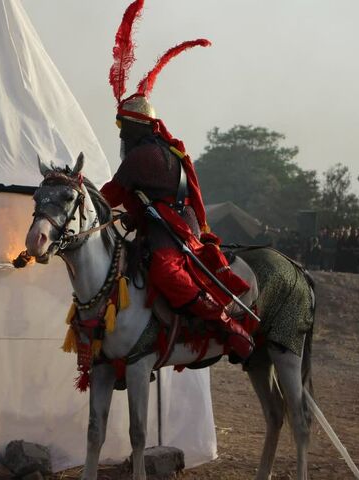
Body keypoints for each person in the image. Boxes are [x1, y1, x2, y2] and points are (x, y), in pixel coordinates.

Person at [101, 3, 255, 361]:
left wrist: (88, 197)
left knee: (164, 271)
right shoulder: (159, 149)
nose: (122, 134)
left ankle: (226, 325)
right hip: (158, 223)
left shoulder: (143, 155)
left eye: (124, 128)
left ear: (136, 128)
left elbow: (113, 194)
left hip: (171, 228)